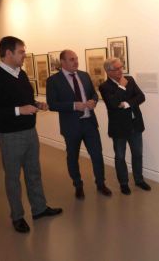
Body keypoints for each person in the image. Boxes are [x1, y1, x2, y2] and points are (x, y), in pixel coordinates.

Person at [0, 36, 62, 233]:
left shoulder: (21, 74)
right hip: (9, 135)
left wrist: (36, 105)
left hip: (29, 132)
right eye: (21, 52)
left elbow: (25, 100)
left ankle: (39, 208)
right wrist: (19, 110)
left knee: (34, 172)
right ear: (8, 53)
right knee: (13, 177)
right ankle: (17, 216)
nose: (24, 55)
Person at [46, 50, 111, 199]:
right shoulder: (53, 81)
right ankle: (78, 185)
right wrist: (74, 106)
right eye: (71, 59)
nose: (76, 62)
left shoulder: (84, 75)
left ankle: (101, 183)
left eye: (76, 59)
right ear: (62, 62)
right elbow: (52, 104)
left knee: (97, 155)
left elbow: (93, 94)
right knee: (73, 157)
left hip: (89, 123)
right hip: (71, 126)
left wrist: (93, 101)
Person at [99, 58, 151, 195]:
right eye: (116, 69)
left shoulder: (130, 80)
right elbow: (113, 104)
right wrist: (121, 87)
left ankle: (139, 180)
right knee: (120, 157)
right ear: (108, 71)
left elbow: (141, 96)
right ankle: (123, 183)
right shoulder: (104, 87)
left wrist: (127, 104)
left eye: (121, 67)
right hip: (119, 128)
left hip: (135, 125)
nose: (120, 71)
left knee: (137, 154)